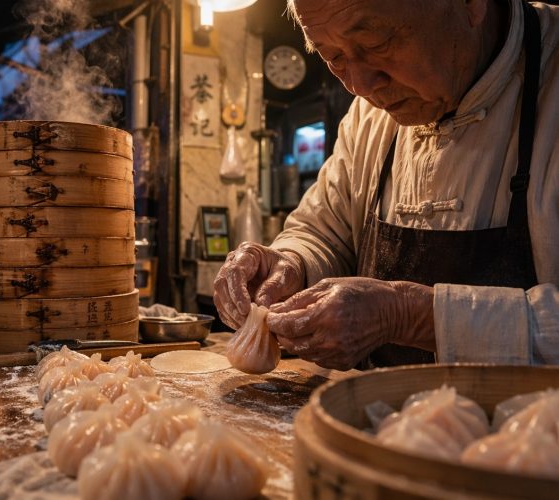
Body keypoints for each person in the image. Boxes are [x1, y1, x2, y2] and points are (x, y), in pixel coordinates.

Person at [214, 0, 558, 369]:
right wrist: (290, 264)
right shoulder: (370, 115)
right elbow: (323, 232)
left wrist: (407, 315)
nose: (360, 87)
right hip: (372, 421)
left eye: (377, 43)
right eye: (334, 57)